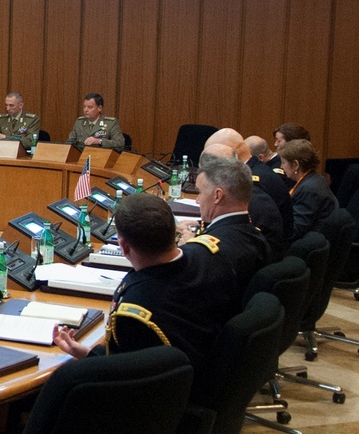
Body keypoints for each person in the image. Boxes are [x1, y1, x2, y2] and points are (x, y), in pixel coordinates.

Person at [53, 193, 238, 371]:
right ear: (174, 231)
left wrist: (87, 361)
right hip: (216, 371)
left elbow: (126, 374)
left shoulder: (136, 308)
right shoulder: (210, 258)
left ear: (123, 246)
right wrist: (87, 353)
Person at [179, 153, 270, 292]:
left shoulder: (204, 253)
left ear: (217, 195)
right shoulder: (257, 236)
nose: (197, 200)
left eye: (200, 192)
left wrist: (187, 251)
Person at [203, 129, 293, 251]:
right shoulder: (256, 170)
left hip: (264, 252)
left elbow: (241, 227)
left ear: (230, 153)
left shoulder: (250, 182)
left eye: (213, 158)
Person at [278, 139, 337, 241]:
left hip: (306, 243)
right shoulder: (313, 179)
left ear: (295, 165)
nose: (281, 167)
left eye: (283, 162)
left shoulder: (310, 189)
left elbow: (295, 229)